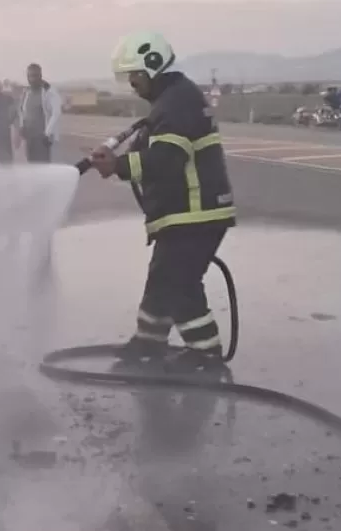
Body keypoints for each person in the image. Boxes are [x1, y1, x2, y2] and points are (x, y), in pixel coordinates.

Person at [87, 31, 237, 371]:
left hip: (196, 212)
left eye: (134, 76)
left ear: (151, 68)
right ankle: (149, 343)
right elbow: (156, 148)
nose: (132, 84)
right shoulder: (172, 100)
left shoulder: (176, 103)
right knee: (162, 278)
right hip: (185, 213)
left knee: (180, 284)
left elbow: (167, 159)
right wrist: (118, 157)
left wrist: (118, 166)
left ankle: (205, 355)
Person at [18, 63, 63, 163]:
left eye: (35, 75)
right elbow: (22, 110)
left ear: (40, 76)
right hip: (29, 137)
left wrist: (48, 133)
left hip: (43, 138)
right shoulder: (26, 92)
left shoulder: (49, 91)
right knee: (31, 164)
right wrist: (21, 126)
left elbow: (56, 113)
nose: (32, 79)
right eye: (29, 76)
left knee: (43, 166)